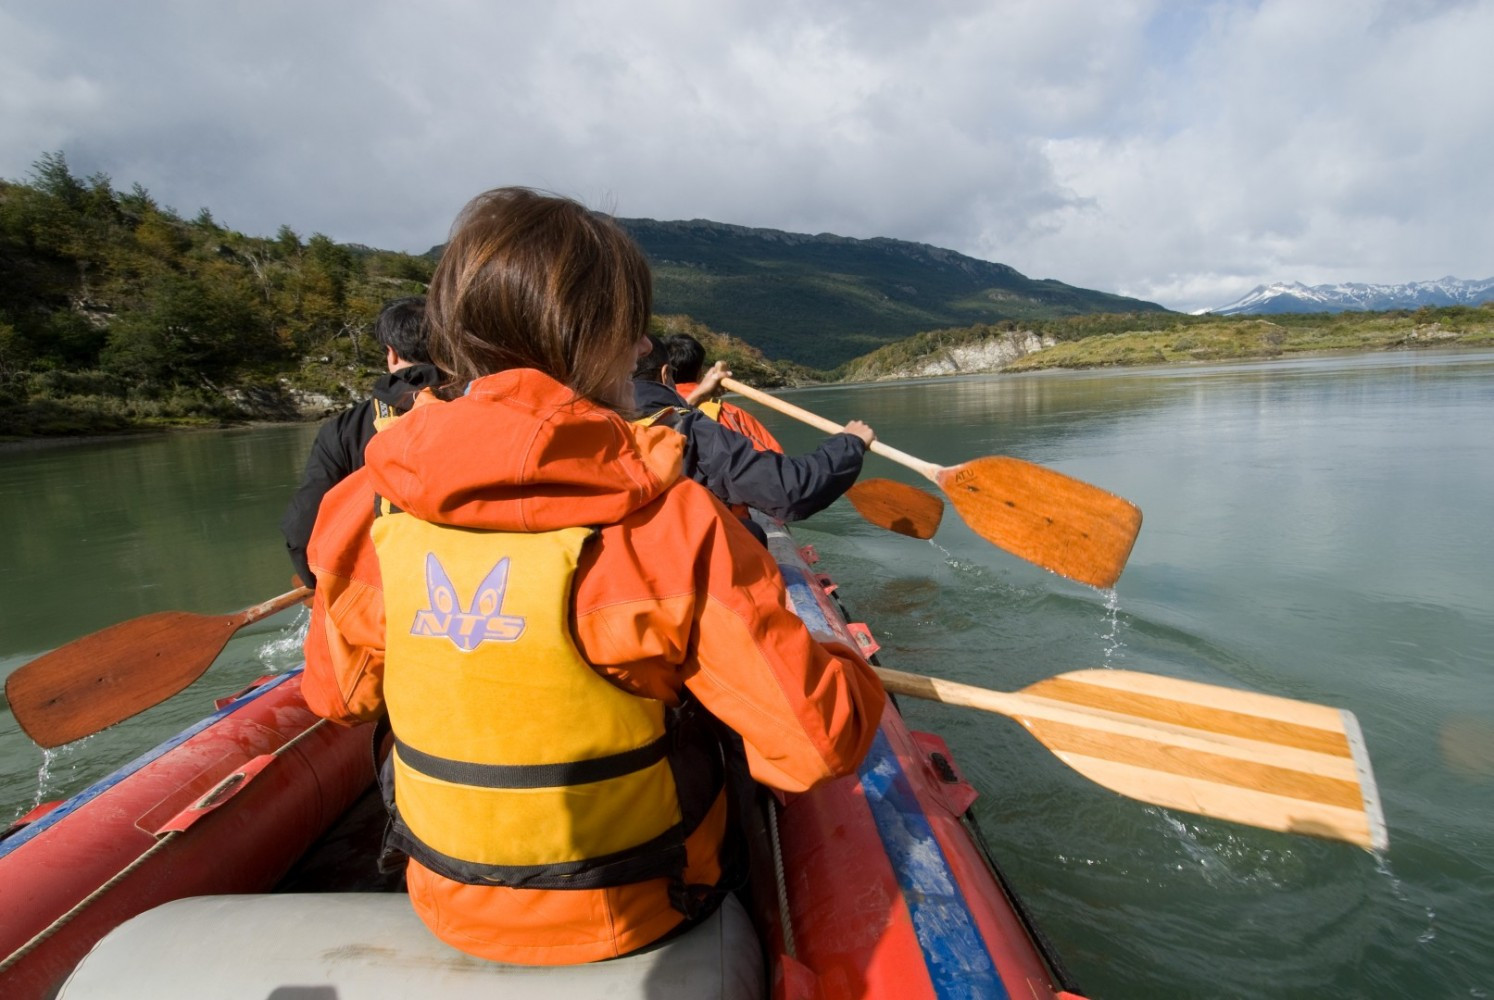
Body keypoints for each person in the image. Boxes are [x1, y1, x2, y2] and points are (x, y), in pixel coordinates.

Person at [301, 187, 886, 966]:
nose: (644, 352)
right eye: (632, 334)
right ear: (607, 339)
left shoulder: (359, 509)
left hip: (442, 894)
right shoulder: (674, 527)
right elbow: (814, 749)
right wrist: (837, 660)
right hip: (642, 908)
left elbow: (336, 699)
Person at [279, 296, 442, 588]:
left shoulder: (342, 431)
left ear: (391, 353)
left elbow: (302, 529)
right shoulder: (481, 408)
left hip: (380, 591)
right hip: (464, 590)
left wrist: (316, 583)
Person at [632, 335, 874, 524]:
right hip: (689, 565)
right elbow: (788, 488)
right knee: (753, 532)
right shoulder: (696, 426)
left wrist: (695, 397)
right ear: (665, 374)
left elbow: (658, 419)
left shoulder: (605, 423)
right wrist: (850, 443)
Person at [663, 333, 784, 453]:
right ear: (700, 372)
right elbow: (776, 458)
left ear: (663, 372)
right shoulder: (733, 415)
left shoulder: (649, 416)